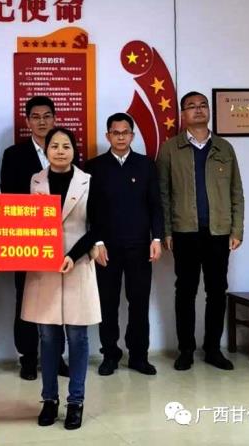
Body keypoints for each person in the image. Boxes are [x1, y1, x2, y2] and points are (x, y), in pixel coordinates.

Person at [157, 91, 244, 371]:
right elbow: (163, 194)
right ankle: (185, 349)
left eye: (203, 105)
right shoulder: (170, 149)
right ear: (182, 114)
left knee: (217, 291)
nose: (198, 110)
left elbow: (236, 191)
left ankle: (212, 349)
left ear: (209, 111)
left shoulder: (224, 148)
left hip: (219, 232)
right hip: (184, 231)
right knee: (185, 291)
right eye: (191, 106)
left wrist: (237, 229)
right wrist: (166, 231)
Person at [22, 127, 101, 431]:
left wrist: (74, 255)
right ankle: (49, 399)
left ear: (73, 150)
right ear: (46, 150)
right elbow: (22, 220)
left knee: (78, 338)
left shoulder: (88, 181)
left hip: (77, 265)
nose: (59, 151)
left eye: (65, 146)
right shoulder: (35, 180)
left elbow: (98, 226)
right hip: (43, 268)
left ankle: (76, 402)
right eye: (54, 146)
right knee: (48, 337)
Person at [84, 113, 164, 376]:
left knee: (138, 303)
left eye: (125, 132)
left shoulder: (146, 165)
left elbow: (155, 205)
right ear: (107, 136)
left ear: (132, 135)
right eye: (115, 133)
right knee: (107, 304)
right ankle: (110, 354)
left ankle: (139, 356)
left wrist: (156, 238)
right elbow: (89, 209)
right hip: (106, 247)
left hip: (139, 246)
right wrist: (96, 242)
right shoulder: (94, 167)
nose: (121, 137)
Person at [0, 96, 68, 381]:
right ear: (28, 121)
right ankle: (27, 357)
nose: (42, 121)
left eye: (47, 116)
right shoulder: (14, 154)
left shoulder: (65, 149)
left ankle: (56, 356)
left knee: (57, 297)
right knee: (26, 298)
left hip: (61, 236)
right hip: (26, 236)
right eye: (36, 117)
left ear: (55, 119)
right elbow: (7, 196)